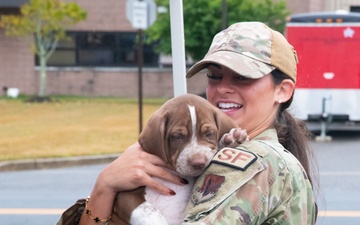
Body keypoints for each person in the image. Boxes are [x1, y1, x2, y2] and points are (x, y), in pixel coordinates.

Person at [57, 21, 318, 225]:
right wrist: (105, 186)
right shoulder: (264, 156)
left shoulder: (249, 162)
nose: (223, 88)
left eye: (242, 78)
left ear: (283, 90)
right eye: (214, 76)